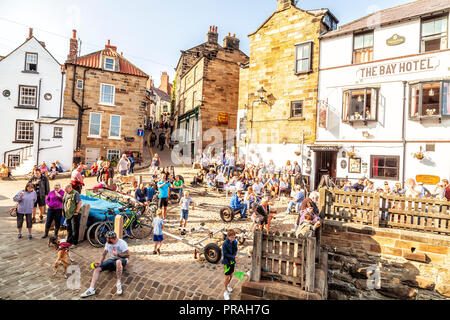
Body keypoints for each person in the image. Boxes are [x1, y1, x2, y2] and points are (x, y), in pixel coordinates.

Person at [80, 231, 129, 298]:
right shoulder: (108, 243)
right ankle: (91, 289)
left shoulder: (122, 243)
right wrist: (100, 262)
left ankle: (118, 283)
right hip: (112, 260)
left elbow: (127, 255)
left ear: (112, 238)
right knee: (97, 268)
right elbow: (104, 253)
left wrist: (117, 254)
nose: (106, 240)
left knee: (118, 262)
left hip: (121, 260)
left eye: (107, 239)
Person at [222, 229, 238, 301]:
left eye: (233, 237)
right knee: (226, 276)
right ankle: (225, 291)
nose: (232, 238)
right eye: (231, 237)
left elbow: (235, 250)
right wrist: (232, 257)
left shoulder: (234, 242)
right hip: (227, 261)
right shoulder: (225, 244)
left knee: (231, 274)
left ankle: (228, 284)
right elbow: (225, 253)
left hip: (232, 261)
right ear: (228, 236)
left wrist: (234, 255)